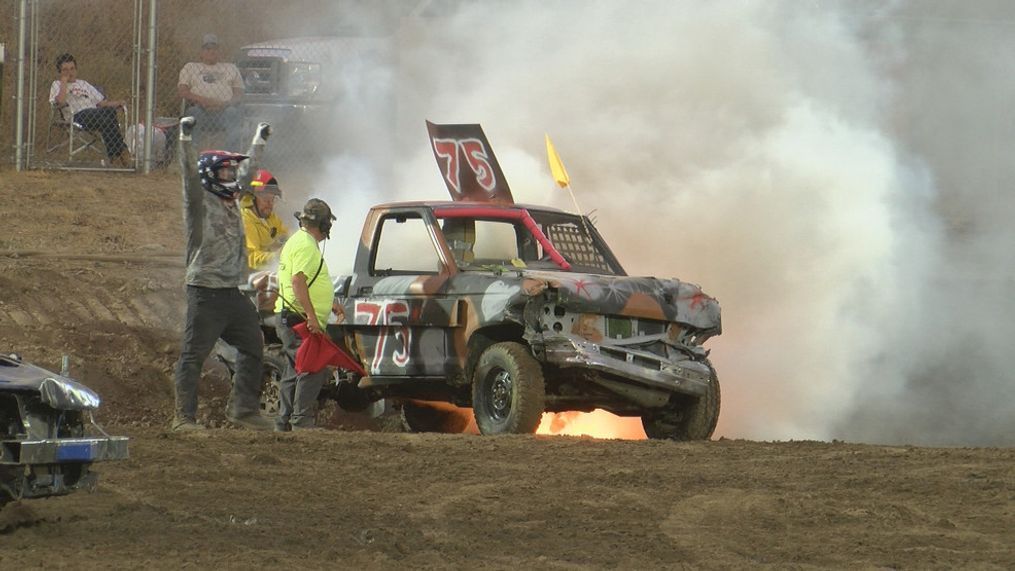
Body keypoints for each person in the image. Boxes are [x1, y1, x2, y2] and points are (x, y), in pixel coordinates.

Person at [172, 114, 275, 432]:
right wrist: (185, 139)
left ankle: (243, 409)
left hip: (232, 292)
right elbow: (189, 176)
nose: (232, 175)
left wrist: (259, 140)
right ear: (211, 174)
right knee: (193, 356)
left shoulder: (233, 199)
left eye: (232, 170)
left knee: (254, 345)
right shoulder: (199, 202)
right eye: (225, 170)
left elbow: (247, 175)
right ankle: (183, 419)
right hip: (205, 292)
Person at [274, 198, 337, 431]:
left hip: (289, 315)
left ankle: (283, 422)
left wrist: (329, 304)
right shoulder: (307, 246)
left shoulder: (298, 241)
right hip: (297, 317)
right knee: (313, 366)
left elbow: (304, 282)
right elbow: (298, 281)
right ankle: (301, 421)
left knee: (294, 370)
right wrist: (311, 316)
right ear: (323, 225)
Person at [49, 53, 130, 166]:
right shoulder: (57, 84)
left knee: (110, 112)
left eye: (72, 69)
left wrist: (118, 103)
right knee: (105, 117)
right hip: (77, 116)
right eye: (65, 70)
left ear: (76, 70)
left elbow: (102, 103)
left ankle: (115, 156)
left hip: (96, 114)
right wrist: (64, 83)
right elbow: (60, 102)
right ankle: (121, 151)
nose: (69, 73)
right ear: (60, 72)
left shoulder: (84, 84)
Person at [178, 33, 243, 150]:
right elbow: (183, 91)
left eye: (215, 48)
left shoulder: (230, 68)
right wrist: (203, 100)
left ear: (219, 51)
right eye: (207, 49)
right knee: (193, 113)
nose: (211, 52)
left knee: (234, 113)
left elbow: (239, 94)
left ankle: (230, 157)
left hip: (225, 110)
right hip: (200, 109)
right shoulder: (191, 67)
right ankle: (193, 155)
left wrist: (225, 104)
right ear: (201, 52)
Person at [241, 169, 290, 271]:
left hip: (266, 272)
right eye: (266, 199)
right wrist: (277, 257)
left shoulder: (269, 218)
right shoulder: (245, 220)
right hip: (247, 278)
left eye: (272, 199)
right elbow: (250, 258)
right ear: (252, 198)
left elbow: (286, 234)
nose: (270, 204)